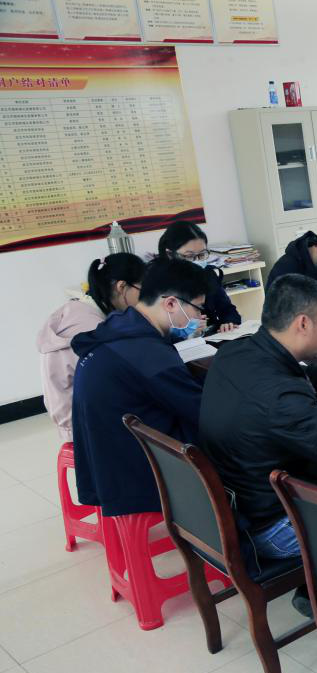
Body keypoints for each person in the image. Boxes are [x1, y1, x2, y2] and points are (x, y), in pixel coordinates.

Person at [199, 274, 317, 564]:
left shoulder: (237, 352)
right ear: (303, 323)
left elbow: (307, 375)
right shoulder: (280, 398)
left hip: (250, 499)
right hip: (277, 526)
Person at [70, 257, 209, 517]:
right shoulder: (147, 353)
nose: (200, 316)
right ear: (171, 303)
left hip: (106, 463)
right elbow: (202, 411)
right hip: (136, 474)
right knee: (231, 439)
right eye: (197, 308)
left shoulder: (118, 327)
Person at [37, 253, 144, 442]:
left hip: (71, 419)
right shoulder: (91, 328)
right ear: (121, 287)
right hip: (87, 426)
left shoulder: (78, 310)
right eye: (142, 290)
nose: (144, 299)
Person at [157, 220, 241, 332]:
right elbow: (154, 330)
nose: (197, 261)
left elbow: (227, 309)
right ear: (170, 254)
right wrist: (181, 332)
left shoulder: (208, 274)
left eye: (202, 254)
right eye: (189, 256)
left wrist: (228, 322)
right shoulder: (157, 283)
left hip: (211, 336)